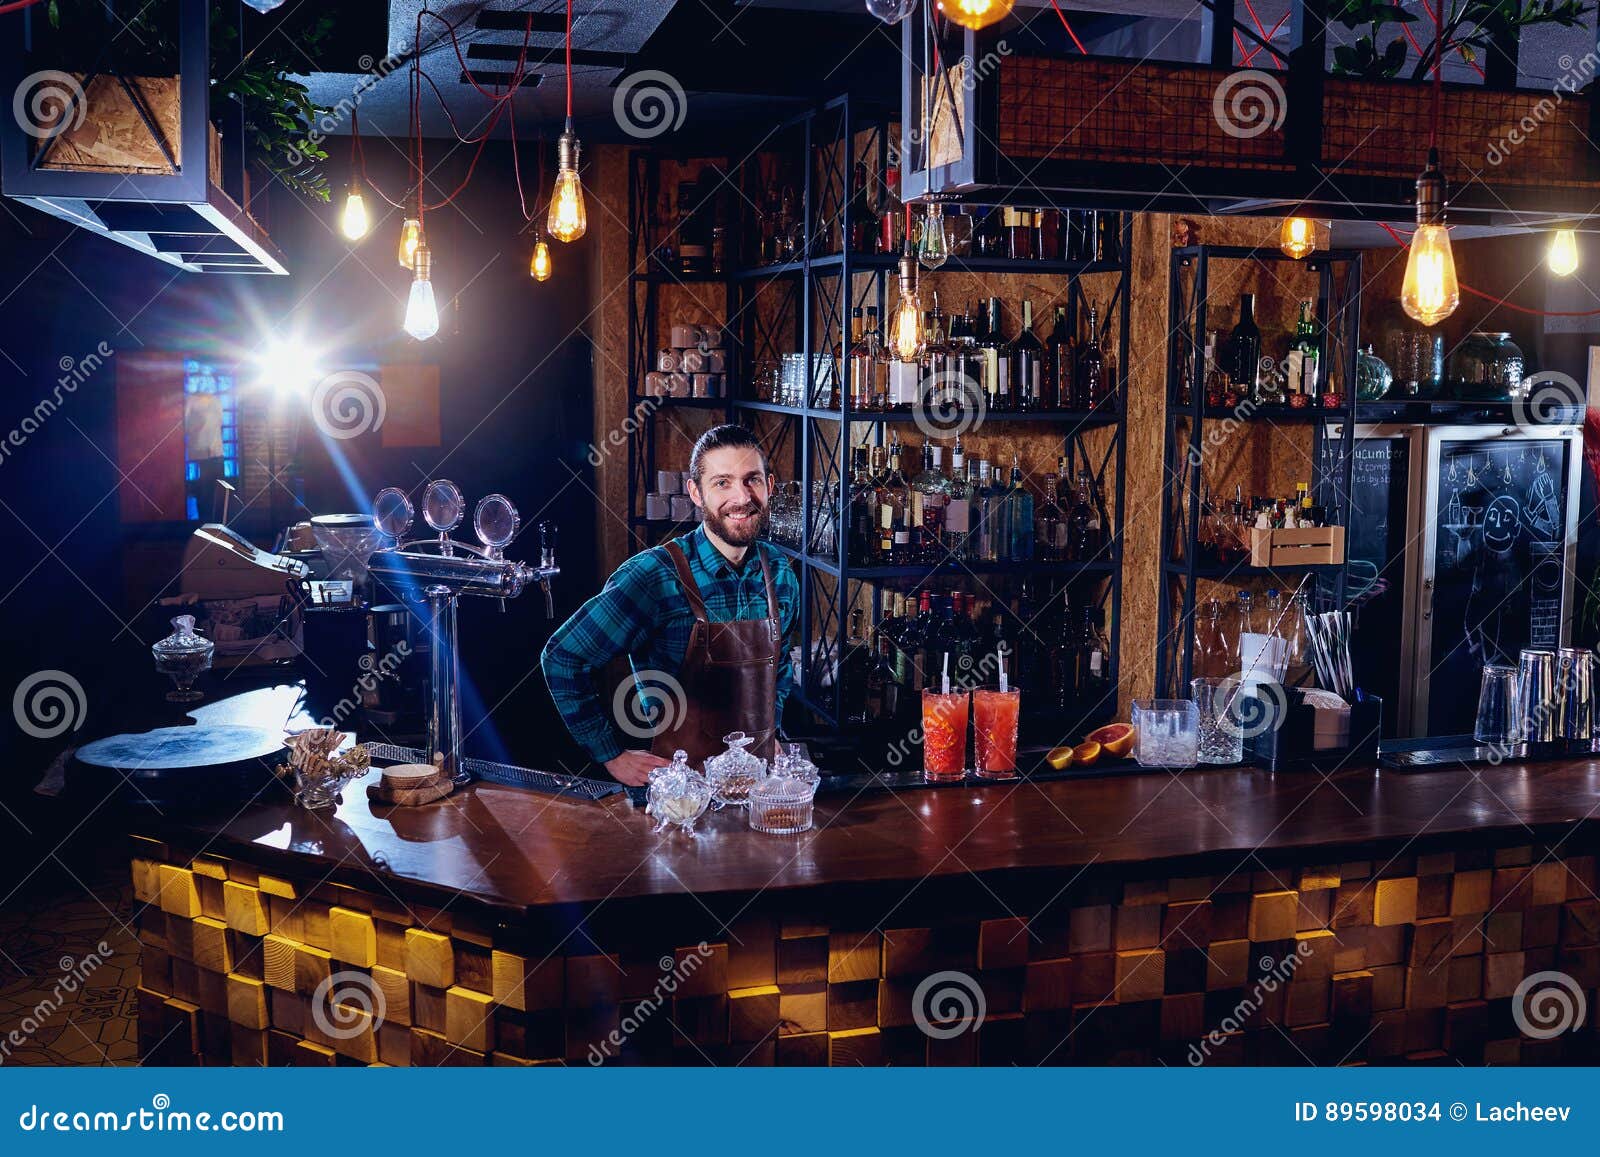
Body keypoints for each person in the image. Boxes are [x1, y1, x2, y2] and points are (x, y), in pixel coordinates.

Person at [542, 424, 799, 785]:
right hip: (680, 793)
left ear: (769, 486)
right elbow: (562, 657)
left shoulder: (780, 573)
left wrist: (769, 735)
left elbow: (780, 667)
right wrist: (611, 755)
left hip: (757, 785)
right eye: (722, 483)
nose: (741, 497)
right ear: (696, 493)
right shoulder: (653, 576)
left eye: (752, 480)